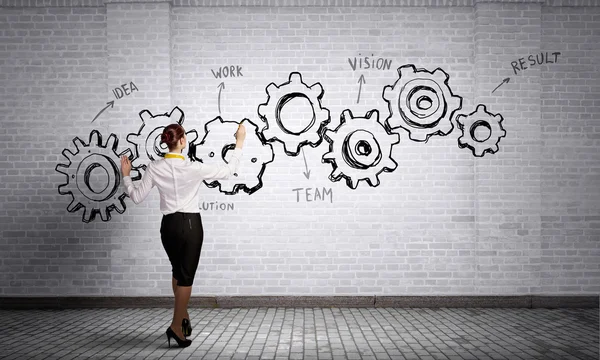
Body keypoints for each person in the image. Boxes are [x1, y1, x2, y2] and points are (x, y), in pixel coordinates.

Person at [119, 122, 246, 348]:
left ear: (167, 142)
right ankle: (176, 326)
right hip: (190, 225)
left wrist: (126, 176)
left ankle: (183, 319)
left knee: (178, 272)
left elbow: (137, 197)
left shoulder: (154, 167)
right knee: (186, 278)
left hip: (168, 227)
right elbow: (229, 171)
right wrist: (239, 141)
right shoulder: (193, 167)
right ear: (183, 141)